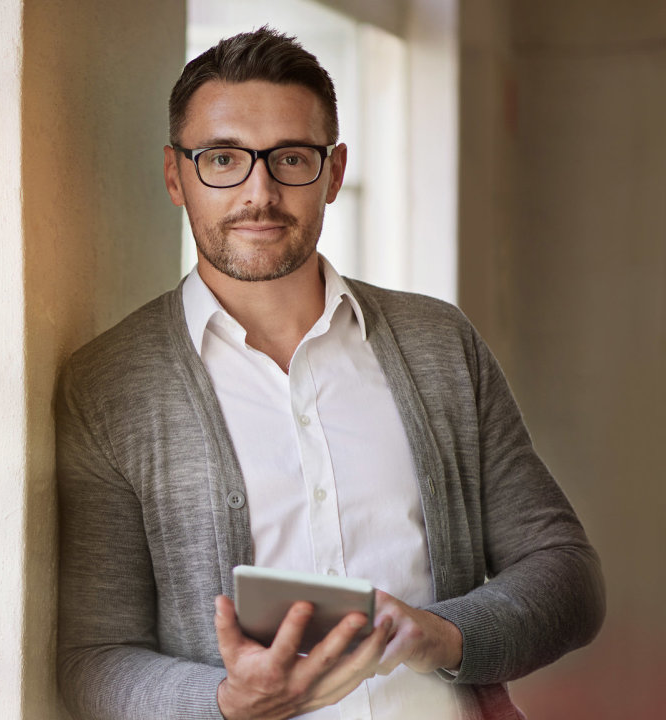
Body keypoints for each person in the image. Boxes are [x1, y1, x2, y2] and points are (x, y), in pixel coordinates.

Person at [55, 26, 604, 720]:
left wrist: (443, 634)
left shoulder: (438, 344)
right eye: (222, 159)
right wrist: (226, 701)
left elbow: (567, 574)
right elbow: (93, 659)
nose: (258, 192)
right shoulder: (109, 387)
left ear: (335, 172)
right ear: (175, 175)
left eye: (291, 158)